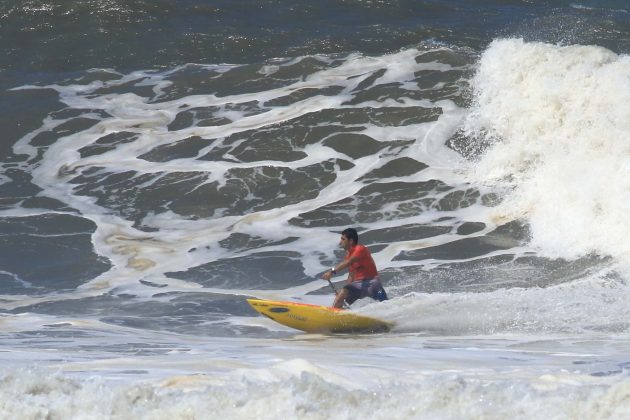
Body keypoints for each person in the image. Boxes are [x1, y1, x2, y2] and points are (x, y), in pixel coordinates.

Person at [322, 228, 388, 308]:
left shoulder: (360, 249)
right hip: (359, 286)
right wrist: (342, 293)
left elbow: (349, 262)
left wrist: (331, 272)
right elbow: (351, 276)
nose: (340, 242)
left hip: (372, 284)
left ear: (351, 241)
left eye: (343, 239)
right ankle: (339, 316)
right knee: (342, 297)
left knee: (386, 306)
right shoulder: (348, 256)